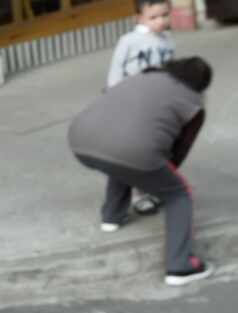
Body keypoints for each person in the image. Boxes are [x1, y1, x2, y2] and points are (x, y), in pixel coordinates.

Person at [68, 56, 213, 286]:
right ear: (202, 86)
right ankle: (180, 266)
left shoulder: (143, 76)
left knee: (123, 155)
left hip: (79, 139)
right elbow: (179, 152)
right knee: (179, 193)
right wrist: (157, 185)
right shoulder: (194, 103)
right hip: (132, 150)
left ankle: (112, 216)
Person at [107, 0, 177, 217]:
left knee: (158, 148)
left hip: (159, 103)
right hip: (133, 103)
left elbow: (172, 70)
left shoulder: (168, 40)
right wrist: (115, 97)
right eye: (153, 17)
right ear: (139, 18)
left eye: (164, 15)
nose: (160, 21)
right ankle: (139, 195)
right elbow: (116, 70)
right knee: (139, 150)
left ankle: (154, 187)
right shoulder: (129, 41)